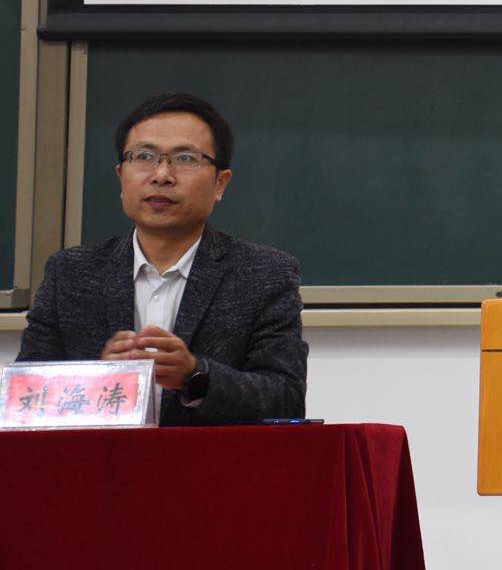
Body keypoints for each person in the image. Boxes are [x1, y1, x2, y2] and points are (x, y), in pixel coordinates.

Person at [15, 91, 307, 425]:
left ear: (220, 183)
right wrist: (98, 380)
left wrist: (195, 376)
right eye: (144, 156)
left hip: (211, 459)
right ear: (121, 177)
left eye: (185, 158)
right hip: (101, 458)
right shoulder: (70, 273)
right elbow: (24, 396)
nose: (162, 175)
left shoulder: (264, 275)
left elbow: (286, 400)